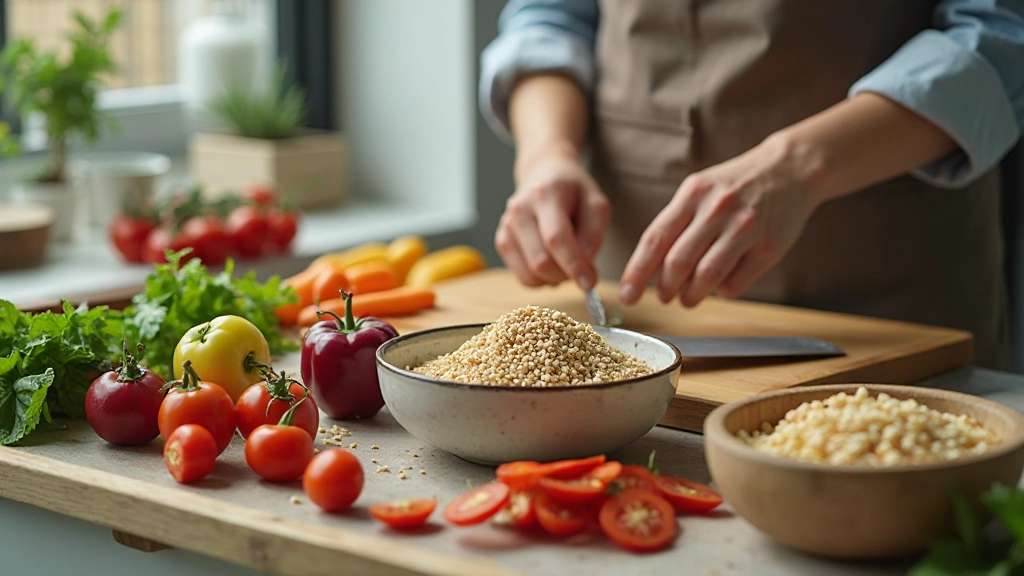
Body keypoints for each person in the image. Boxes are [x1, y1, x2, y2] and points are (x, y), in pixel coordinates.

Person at [480, 0, 1024, 369]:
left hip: (889, 288)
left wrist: (800, 164)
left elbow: (1000, 34)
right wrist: (547, 152)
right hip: (632, 278)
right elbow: (549, 14)